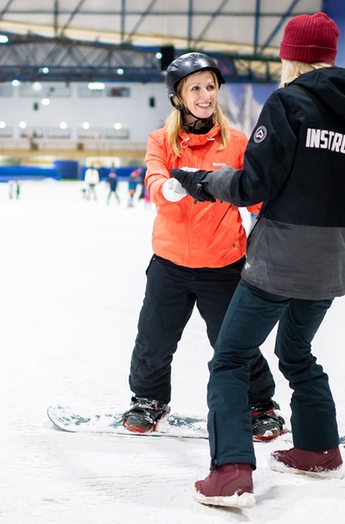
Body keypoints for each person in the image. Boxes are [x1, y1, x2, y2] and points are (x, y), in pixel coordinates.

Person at [171, 12, 345, 508]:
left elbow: (253, 185)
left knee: (230, 360)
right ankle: (318, 450)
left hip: (279, 261)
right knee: (297, 352)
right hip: (332, 262)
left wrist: (201, 181)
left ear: (290, 57)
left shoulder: (289, 102)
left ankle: (230, 474)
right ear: (330, 56)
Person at [120, 52, 284, 444]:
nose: (205, 95)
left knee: (233, 342)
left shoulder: (238, 142)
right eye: (196, 88)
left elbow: (254, 194)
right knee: (154, 340)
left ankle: (260, 404)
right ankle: (149, 401)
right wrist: (169, 187)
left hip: (223, 264)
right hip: (170, 263)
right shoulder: (161, 140)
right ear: (178, 96)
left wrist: (273, 220)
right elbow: (154, 179)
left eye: (210, 86)